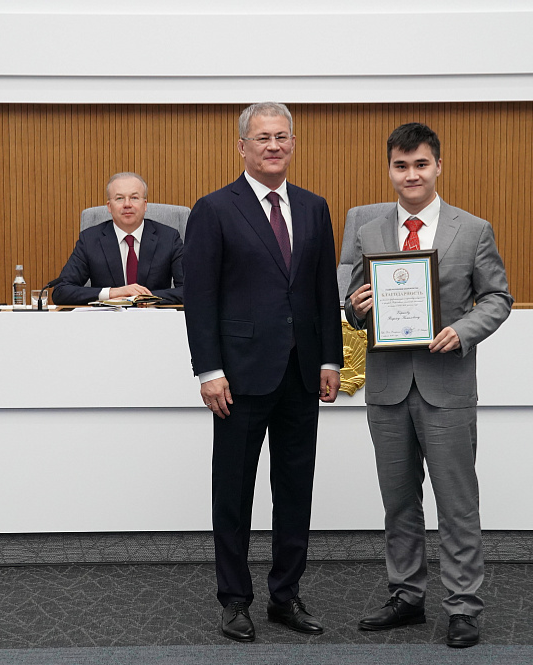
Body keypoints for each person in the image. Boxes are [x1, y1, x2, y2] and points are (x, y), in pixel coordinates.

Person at [345, 122, 512, 648]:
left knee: (457, 503)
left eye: (421, 164)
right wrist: (356, 307)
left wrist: (463, 331)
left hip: (447, 386)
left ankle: (463, 606)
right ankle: (406, 596)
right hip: (388, 387)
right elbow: (352, 303)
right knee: (398, 501)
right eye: (401, 165)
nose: (411, 175)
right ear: (389, 170)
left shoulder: (473, 229)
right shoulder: (368, 230)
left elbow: (498, 298)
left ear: (438, 165)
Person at [183, 102, 344, 642]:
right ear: (242, 147)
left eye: (281, 137)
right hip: (239, 377)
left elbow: (323, 289)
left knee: (295, 490)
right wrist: (208, 370)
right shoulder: (214, 209)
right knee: (233, 494)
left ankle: (285, 595)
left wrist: (330, 359)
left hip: (301, 374)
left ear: (293, 143)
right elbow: (200, 298)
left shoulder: (314, 207)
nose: (273, 146)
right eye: (262, 138)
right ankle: (234, 600)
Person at [52, 172, 184, 305]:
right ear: (109, 206)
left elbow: (188, 289)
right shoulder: (90, 240)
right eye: (120, 198)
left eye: (134, 198)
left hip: (155, 316)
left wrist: (145, 298)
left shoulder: (169, 238)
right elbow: (61, 291)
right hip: (107, 317)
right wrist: (112, 293)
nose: (127, 204)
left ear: (145, 205)